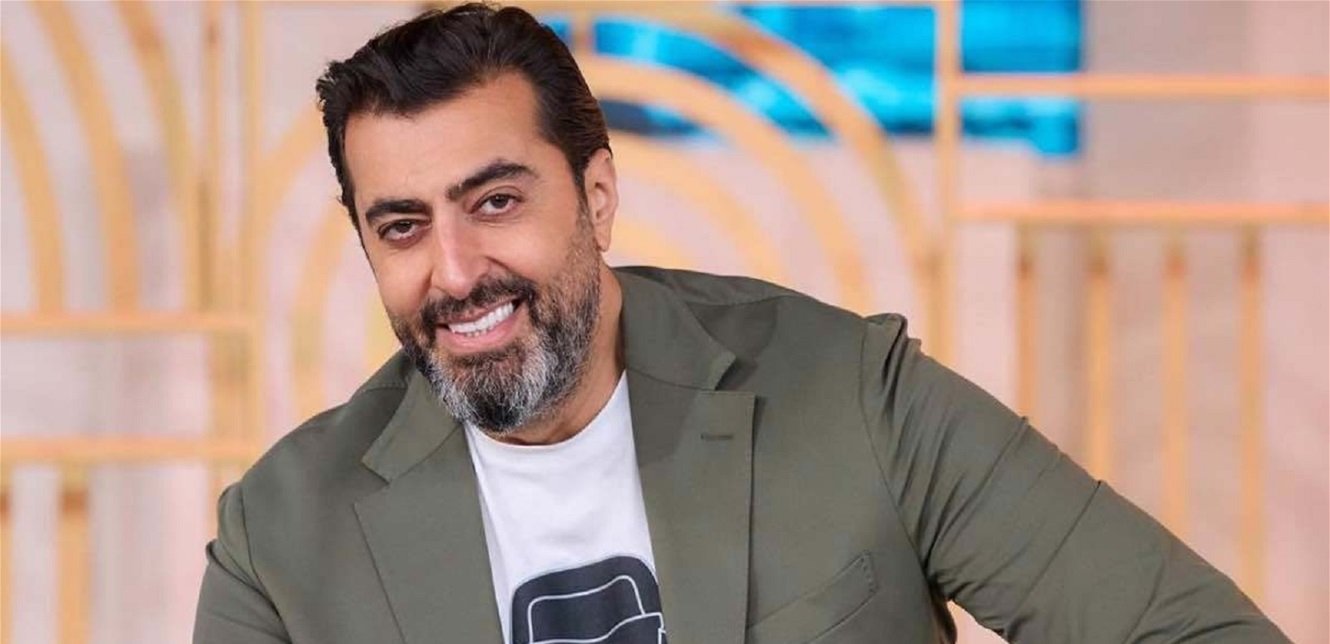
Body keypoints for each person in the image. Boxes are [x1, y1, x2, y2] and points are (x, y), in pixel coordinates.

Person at [193, 4, 1286, 643]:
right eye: (401, 226)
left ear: (597, 198)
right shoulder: (281, 539)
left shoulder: (852, 392)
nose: (455, 272)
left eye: (495, 202)